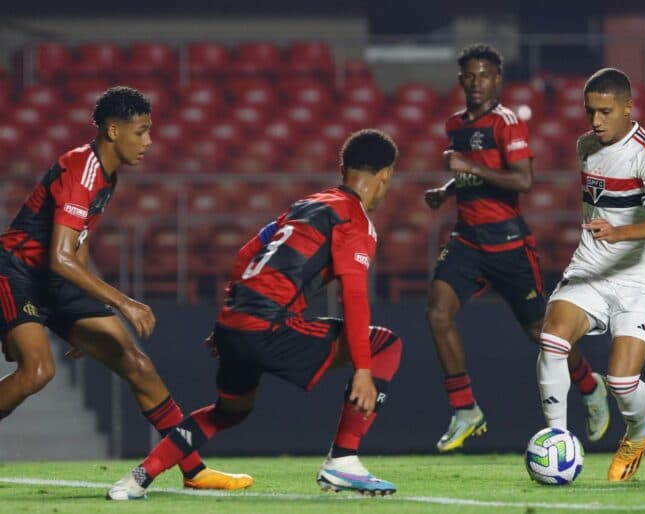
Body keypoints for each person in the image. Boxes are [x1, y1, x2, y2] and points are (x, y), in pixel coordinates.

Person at [107, 129, 402, 500]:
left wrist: (229, 315)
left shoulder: (305, 205)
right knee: (385, 345)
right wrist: (362, 369)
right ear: (386, 175)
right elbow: (354, 296)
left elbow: (247, 252)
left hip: (235, 321)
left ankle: (137, 479)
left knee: (230, 410)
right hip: (271, 324)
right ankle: (343, 461)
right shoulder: (354, 221)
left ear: (343, 168)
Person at [0, 87, 252, 490]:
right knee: (38, 371)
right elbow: (59, 257)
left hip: (56, 281)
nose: (149, 141)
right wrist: (121, 302)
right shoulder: (81, 168)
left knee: (136, 363)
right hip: (18, 273)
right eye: (142, 131)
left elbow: (75, 248)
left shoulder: (107, 174)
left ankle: (194, 470)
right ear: (113, 131)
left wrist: (84, 316)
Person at [424, 43, 609, 452]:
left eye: (484, 75)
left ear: (497, 79)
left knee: (541, 334)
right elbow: (478, 176)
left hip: (507, 243)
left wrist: (467, 168)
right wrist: (448, 189)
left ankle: (590, 386)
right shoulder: (455, 125)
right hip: (467, 240)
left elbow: (522, 180)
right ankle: (465, 409)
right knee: (437, 313)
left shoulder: (507, 123)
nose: (476, 82)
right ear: (461, 81)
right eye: (469, 76)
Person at [537, 68, 645, 482]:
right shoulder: (586, 146)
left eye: (606, 111)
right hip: (590, 270)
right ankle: (556, 439)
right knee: (551, 337)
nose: (595, 121)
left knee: (621, 381)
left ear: (629, 108)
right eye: (590, 111)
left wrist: (619, 232)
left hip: (639, 279)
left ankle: (637, 430)